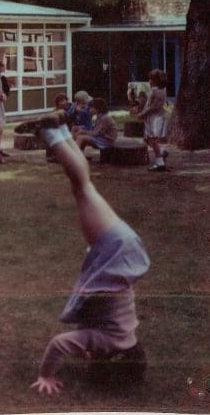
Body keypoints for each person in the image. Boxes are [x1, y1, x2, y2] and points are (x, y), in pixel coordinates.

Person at [30, 114, 150, 395]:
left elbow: (94, 319)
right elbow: (59, 343)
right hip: (115, 248)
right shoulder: (107, 342)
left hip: (124, 248)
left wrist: (88, 347)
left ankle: (60, 131)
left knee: (84, 186)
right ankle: (51, 133)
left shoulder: (126, 336)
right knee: (82, 188)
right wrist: (46, 375)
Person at [138, 69, 170, 172]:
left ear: (156, 80)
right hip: (151, 118)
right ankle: (160, 154)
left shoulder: (159, 92)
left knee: (153, 140)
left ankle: (160, 163)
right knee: (148, 139)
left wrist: (143, 113)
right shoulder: (155, 90)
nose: (149, 81)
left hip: (156, 118)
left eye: (151, 79)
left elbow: (153, 107)